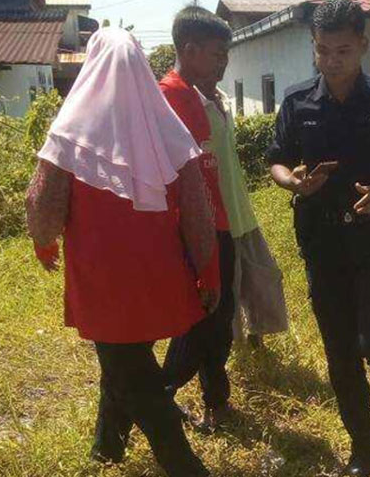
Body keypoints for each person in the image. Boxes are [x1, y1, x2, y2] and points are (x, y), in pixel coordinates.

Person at [25, 28, 218, 477]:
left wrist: (43, 240)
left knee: (129, 370)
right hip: (158, 275)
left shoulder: (70, 130)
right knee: (123, 360)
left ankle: (185, 466)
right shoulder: (168, 128)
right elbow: (199, 213)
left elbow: (43, 204)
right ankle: (107, 447)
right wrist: (207, 268)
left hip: (102, 282)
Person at [266, 0, 370, 477]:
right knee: (340, 350)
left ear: (362, 45)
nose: (331, 61)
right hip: (322, 245)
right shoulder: (297, 102)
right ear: (313, 47)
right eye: (322, 50)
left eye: (342, 50)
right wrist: (293, 181)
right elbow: (277, 159)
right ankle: (363, 443)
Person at [161, 6, 287, 431]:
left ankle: (215, 400)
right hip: (199, 228)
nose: (224, 63)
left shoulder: (210, 97)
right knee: (203, 320)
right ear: (189, 50)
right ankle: (159, 396)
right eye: (217, 55)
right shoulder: (170, 98)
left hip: (228, 220)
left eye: (226, 55)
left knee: (219, 315)